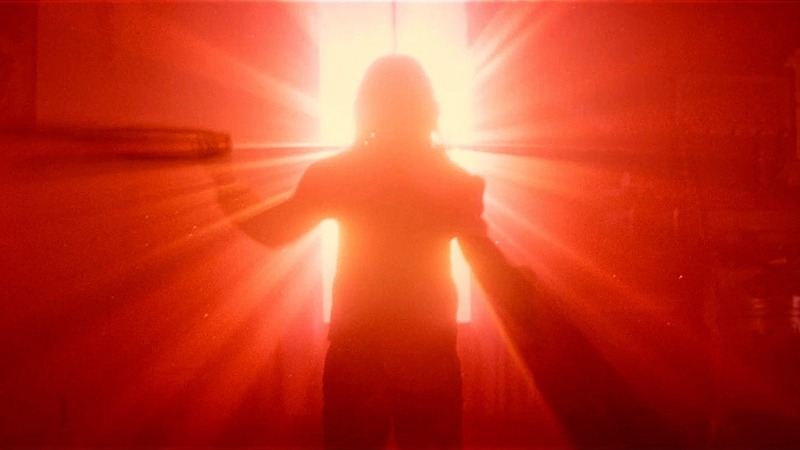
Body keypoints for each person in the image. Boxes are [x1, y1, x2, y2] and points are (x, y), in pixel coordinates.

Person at [209, 54, 535, 449]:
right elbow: (486, 263)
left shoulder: (338, 175)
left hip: (358, 348)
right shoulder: (452, 181)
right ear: (426, 107)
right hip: (427, 350)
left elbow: (274, 231)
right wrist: (529, 300)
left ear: (364, 107)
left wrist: (224, 182)